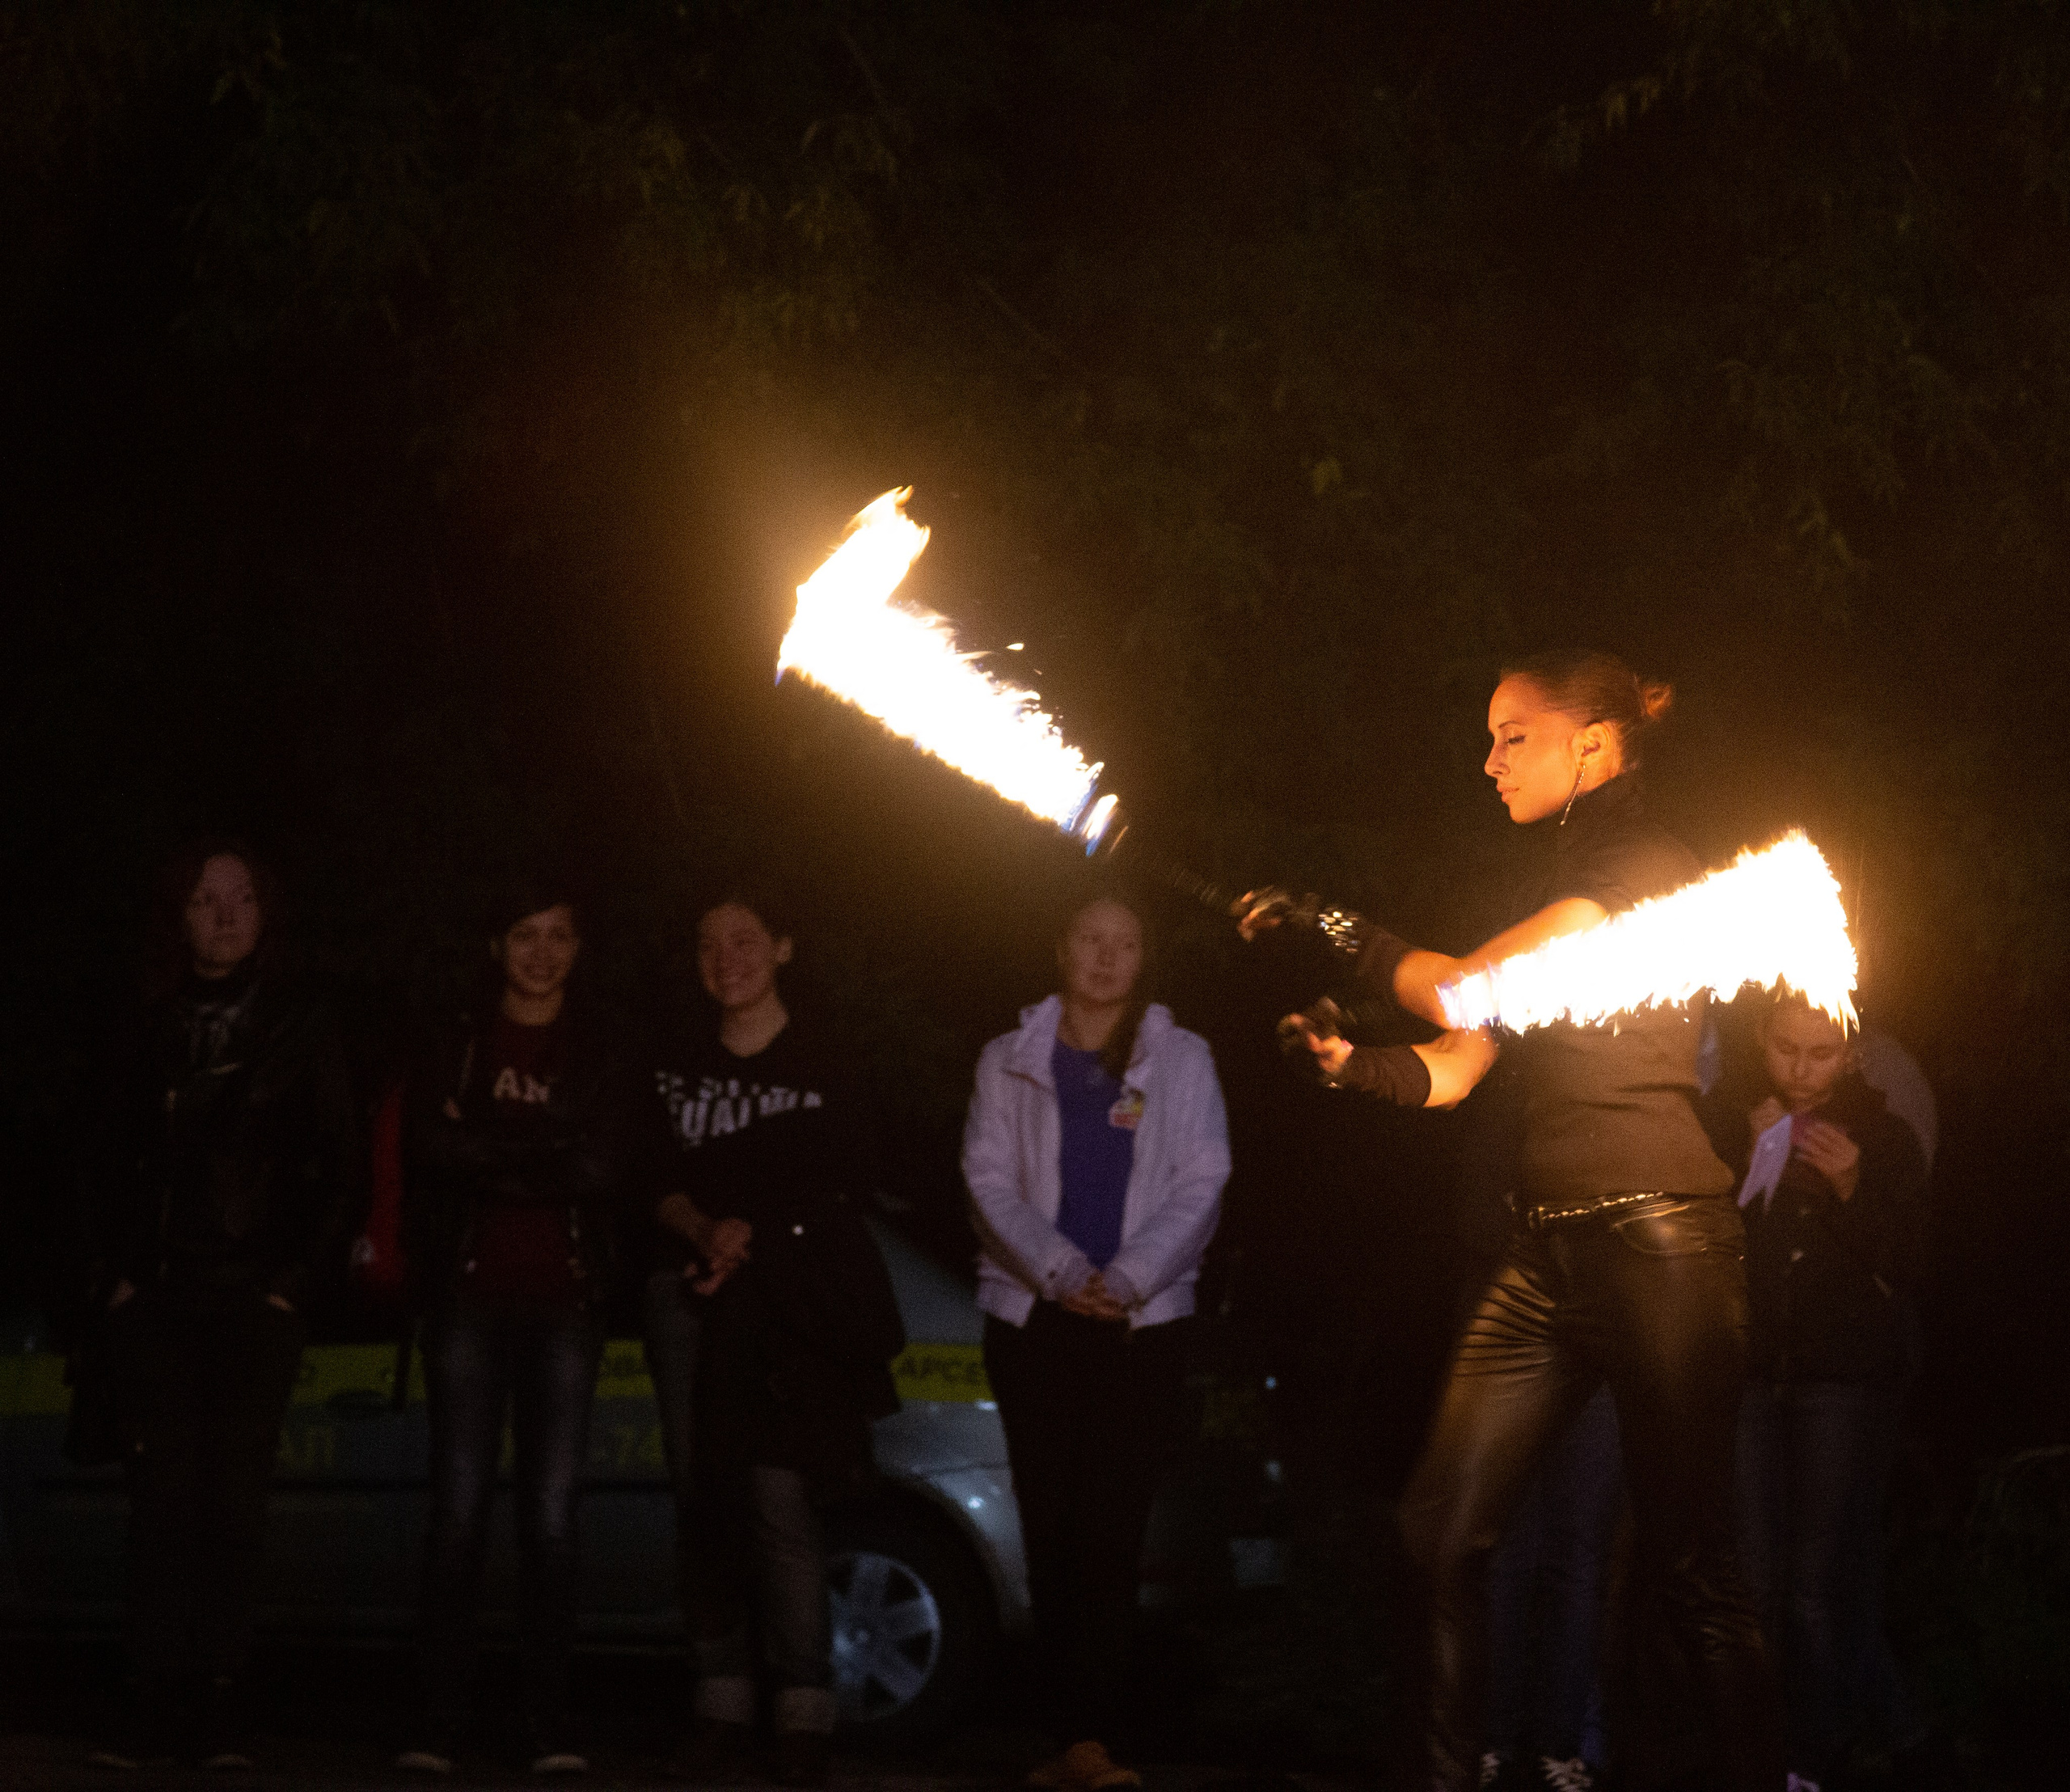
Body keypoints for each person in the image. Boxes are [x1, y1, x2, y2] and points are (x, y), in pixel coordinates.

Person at [1251, 650, 1784, 1792]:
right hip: (1546, 1255)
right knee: (1434, 1535)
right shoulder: (1562, 885)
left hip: (1660, 1244)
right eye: (1489, 737)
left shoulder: (1644, 867)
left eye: (1513, 736)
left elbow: (1460, 989)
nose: (1489, 761)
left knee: (1694, 1568)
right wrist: (1349, 1065)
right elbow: (1453, 1065)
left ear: (1592, 744)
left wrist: (1338, 927)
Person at [83, 840, 355, 1770]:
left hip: (252, 1297)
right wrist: (114, 1279)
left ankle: (220, 1699)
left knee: (234, 1506)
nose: (226, 914)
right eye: (206, 898)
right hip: (159, 1295)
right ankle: (153, 1698)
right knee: (162, 1502)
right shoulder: (143, 1020)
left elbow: (340, 1165)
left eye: (241, 897)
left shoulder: (301, 1023)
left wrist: (291, 1283)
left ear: (265, 911)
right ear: (180, 914)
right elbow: (92, 1154)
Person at [964, 889, 1231, 1792]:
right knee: (1049, 1523)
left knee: (1111, 1528)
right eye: (1090, 938)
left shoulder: (1183, 1059)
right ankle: (1061, 1731)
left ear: (1143, 956)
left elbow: (1203, 1179)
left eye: (1125, 942)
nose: (1107, 957)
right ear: (1061, 947)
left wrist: (1124, 1279)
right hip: (1033, 1319)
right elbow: (987, 1180)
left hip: (1139, 1326)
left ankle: (1096, 1735)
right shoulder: (1006, 1059)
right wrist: (1060, 1271)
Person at [644, 890, 905, 1789]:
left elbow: (841, 1180)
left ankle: (802, 1708)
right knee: (703, 1498)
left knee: (780, 1498)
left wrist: (747, 1234)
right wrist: (701, 1230)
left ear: (783, 947)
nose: (728, 957)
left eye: (746, 938)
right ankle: (720, 1702)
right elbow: (650, 1175)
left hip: (788, 1307)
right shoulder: (674, 1059)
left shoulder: (826, 1060)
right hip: (689, 1297)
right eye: (709, 942)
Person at [396, 881, 640, 1777]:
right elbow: (430, 1148)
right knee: (458, 1512)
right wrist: (545, 1155)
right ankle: (438, 1722)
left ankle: (547, 1724)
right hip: (467, 1294)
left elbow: (605, 1165)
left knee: (551, 1518)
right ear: (496, 945)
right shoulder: (457, 1037)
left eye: (559, 936)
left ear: (579, 947)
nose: (542, 953)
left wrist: (489, 1149)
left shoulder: (600, 1045)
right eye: (526, 935)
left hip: (566, 1300)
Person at [1700, 996, 1929, 1792]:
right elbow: (1708, 1245)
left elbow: (1910, 1264)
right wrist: (1748, 1158)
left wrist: (1852, 1186)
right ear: (1762, 1040)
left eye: (1820, 1053)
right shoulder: (1730, 1119)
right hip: (1751, 1378)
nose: (1800, 1069)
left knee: (1813, 1588)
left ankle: (1817, 1757)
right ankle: (1757, 1755)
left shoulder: (1884, 1137)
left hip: (1839, 1384)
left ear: (1852, 1052)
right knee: (1755, 1585)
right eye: (1785, 1048)